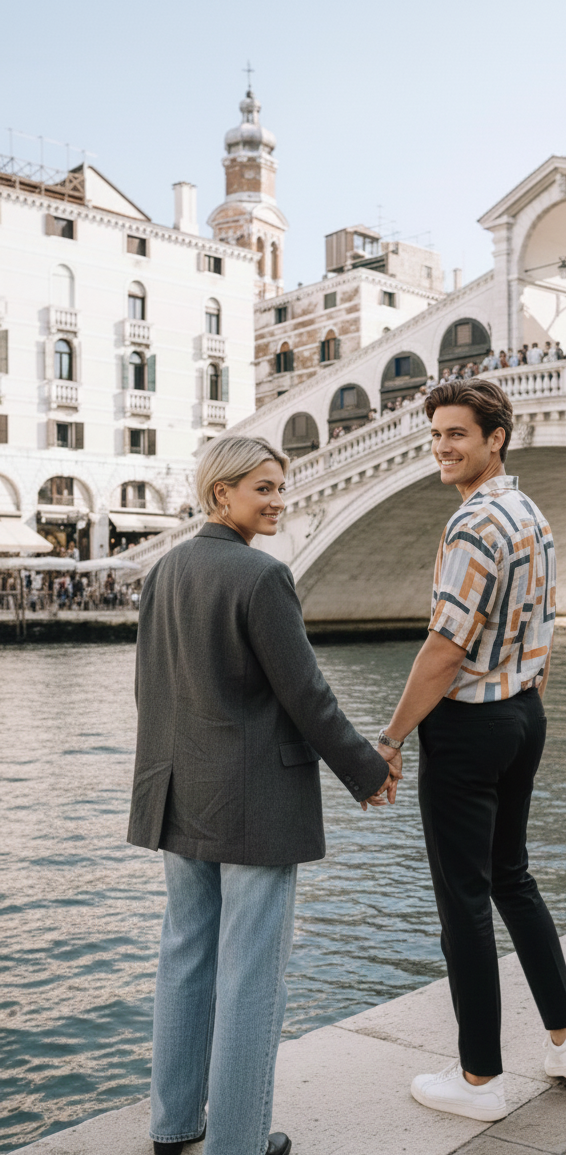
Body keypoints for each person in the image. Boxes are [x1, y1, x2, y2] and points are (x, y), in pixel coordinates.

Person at [127, 435, 398, 1155]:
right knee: (251, 976)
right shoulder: (262, 576)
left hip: (177, 791)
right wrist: (366, 770)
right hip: (253, 802)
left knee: (184, 956)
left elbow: (149, 687)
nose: (280, 501)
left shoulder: (164, 570)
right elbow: (306, 694)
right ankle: (238, 1142)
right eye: (265, 488)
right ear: (222, 494)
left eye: (282, 487)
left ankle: (173, 1126)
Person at [377, 380, 566, 1123]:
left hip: (469, 726)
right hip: (524, 713)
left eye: (457, 434)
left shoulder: (473, 524)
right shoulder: (531, 513)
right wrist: (524, 704)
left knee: (463, 901)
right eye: (436, 434)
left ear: (495, 438)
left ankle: (479, 1080)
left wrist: (391, 739)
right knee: (513, 878)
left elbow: (444, 648)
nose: (442, 448)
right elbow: (543, 622)